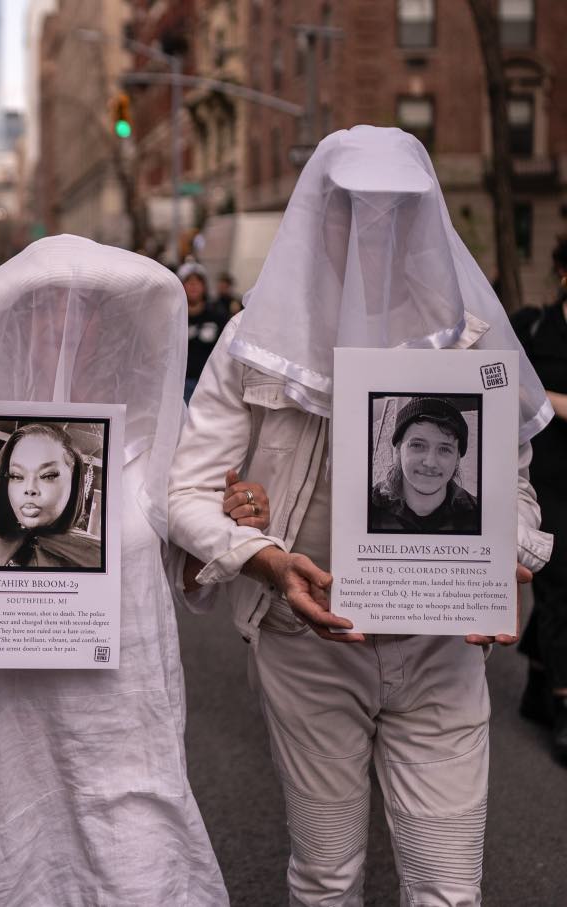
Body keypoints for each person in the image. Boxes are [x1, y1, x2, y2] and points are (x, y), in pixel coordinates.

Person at [168, 126, 552, 906]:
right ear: (320, 214)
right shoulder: (254, 345)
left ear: (426, 215)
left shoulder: (471, 344)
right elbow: (184, 492)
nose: (375, 225)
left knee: (449, 887)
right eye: (353, 208)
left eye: (398, 208)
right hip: (308, 642)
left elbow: (515, 486)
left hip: (441, 647)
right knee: (326, 877)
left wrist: (503, 559)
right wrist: (264, 555)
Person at [0, 235, 230, 905]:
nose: (65, 327)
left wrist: (230, 526)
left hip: (126, 718)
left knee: (141, 877)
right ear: (17, 327)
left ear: (109, 329)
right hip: (12, 725)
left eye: (84, 312)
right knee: (25, 882)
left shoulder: (156, 433)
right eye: (45, 311)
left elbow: (192, 580)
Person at [513, 234, 567, 761]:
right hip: (550, 479)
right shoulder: (533, 326)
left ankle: (537, 676)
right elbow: (504, 384)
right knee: (558, 588)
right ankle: (563, 704)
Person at [0, 422, 101, 569]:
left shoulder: (100, 556)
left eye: (48, 475)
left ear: (74, 481)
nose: (30, 489)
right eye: (16, 476)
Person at [367, 397, 480, 534]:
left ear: (457, 458)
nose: (430, 462)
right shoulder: (368, 510)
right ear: (397, 450)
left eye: (444, 449)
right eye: (417, 445)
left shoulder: (478, 516)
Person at [180, 261, 227, 400]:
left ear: (204, 286)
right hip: (178, 384)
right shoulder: (173, 317)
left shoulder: (217, 317)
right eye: (189, 281)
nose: (193, 285)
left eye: (198, 281)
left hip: (207, 385)